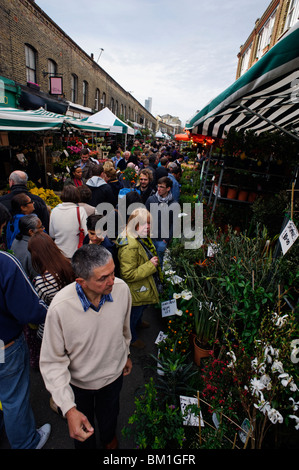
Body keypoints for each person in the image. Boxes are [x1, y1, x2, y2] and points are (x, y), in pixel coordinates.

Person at [39, 244, 132, 449]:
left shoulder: (122, 289)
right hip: (79, 386)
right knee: (83, 433)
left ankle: (109, 439)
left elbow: (124, 329)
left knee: (110, 415)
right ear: (81, 282)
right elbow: (52, 362)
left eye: (113, 272)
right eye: (102, 278)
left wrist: (126, 353)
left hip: (113, 378)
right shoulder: (60, 309)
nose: (112, 281)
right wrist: (69, 409)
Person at [0, 208, 50, 449]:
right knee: (14, 398)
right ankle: (27, 443)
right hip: (4, 344)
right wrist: (54, 314)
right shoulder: (4, 262)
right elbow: (28, 310)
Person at [117, 207, 162, 349]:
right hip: (135, 290)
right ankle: (132, 338)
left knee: (140, 309)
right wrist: (150, 266)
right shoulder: (130, 246)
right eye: (143, 224)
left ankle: (138, 322)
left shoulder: (139, 237)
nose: (147, 227)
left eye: (149, 223)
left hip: (141, 287)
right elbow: (128, 274)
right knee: (132, 315)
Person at [49, 185, 88, 259]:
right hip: (76, 253)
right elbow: (86, 233)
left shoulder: (54, 211)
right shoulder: (80, 210)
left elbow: (52, 234)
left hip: (58, 253)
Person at [146, 176, 176, 267]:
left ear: (168, 188)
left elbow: (174, 223)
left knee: (159, 263)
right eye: (158, 186)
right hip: (150, 237)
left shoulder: (173, 204)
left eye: (161, 187)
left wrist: (166, 240)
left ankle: (159, 279)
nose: (158, 189)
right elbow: (144, 216)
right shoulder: (151, 200)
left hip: (162, 240)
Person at [11, 214, 44, 280]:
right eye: (41, 227)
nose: (43, 228)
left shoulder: (16, 240)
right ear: (31, 232)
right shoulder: (32, 250)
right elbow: (37, 277)